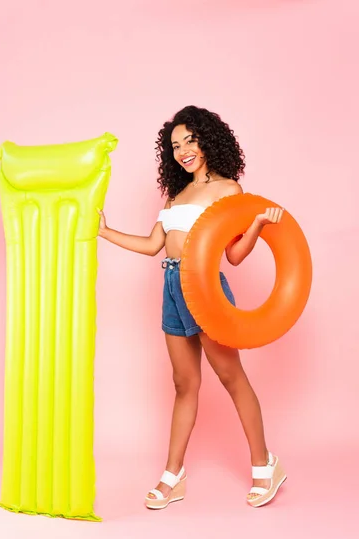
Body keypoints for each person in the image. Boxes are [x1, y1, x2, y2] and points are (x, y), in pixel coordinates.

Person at [98, 105, 286, 509]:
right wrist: (105, 231)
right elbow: (152, 246)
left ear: (207, 139)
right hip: (170, 285)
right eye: (175, 145)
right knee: (184, 384)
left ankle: (264, 465)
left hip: (204, 287)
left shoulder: (228, 189)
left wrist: (256, 225)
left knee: (231, 377)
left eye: (189, 140)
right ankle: (173, 475)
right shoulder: (176, 194)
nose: (182, 150)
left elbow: (234, 257)